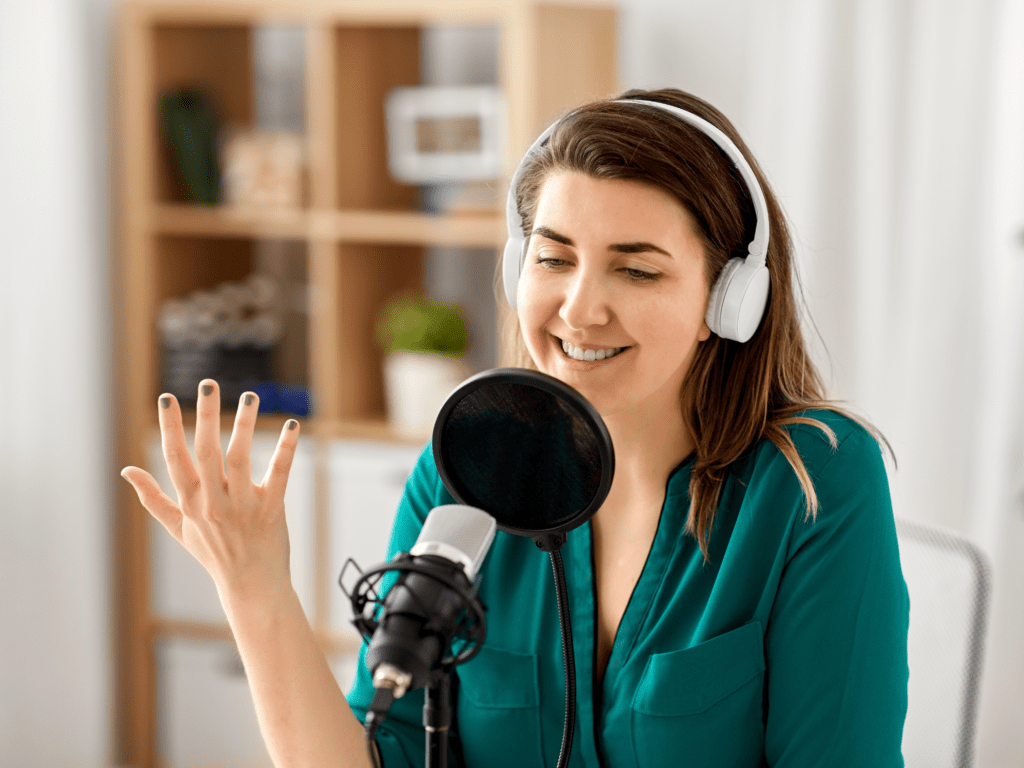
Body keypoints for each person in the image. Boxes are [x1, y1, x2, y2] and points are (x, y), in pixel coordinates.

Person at [121, 87, 910, 768]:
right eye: (554, 258)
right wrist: (254, 586)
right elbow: (383, 750)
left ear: (727, 301)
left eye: (636, 269)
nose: (579, 309)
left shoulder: (815, 484)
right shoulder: (467, 466)